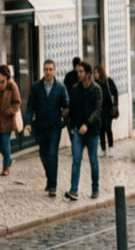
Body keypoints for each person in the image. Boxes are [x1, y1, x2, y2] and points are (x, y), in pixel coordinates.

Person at [24, 60, 69, 196]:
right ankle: (49, 179)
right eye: (46, 69)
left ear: (54, 71)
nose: (48, 72)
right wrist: (28, 122)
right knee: (43, 155)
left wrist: (63, 121)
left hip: (55, 127)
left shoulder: (60, 88)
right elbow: (30, 105)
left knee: (52, 154)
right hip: (41, 127)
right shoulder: (36, 87)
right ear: (43, 71)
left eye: (50, 69)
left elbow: (67, 106)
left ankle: (53, 186)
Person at [65, 61, 102, 200]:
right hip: (78, 131)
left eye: (81, 72)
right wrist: (71, 128)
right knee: (76, 159)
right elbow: (72, 110)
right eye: (77, 72)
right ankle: (73, 190)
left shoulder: (96, 89)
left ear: (88, 74)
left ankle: (95, 188)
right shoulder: (75, 89)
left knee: (93, 160)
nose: (78, 74)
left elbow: (97, 110)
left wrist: (87, 124)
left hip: (92, 131)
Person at [0, 64, 23, 177]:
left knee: (4, 144)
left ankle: (5, 167)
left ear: (7, 78)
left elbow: (17, 102)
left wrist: (9, 111)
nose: (0, 84)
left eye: (2, 81)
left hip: (7, 121)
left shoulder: (12, 86)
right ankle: (8, 158)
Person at [93, 65, 118, 158]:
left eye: (96, 72)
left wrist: (115, 104)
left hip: (108, 109)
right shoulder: (94, 84)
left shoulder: (108, 81)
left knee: (108, 128)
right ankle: (103, 149)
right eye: (94, 72)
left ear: (100, 72)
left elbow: (115, 91)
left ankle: (111, 148)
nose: (95, 74)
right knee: (101, 130)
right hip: (99, 110)